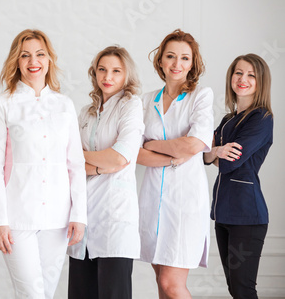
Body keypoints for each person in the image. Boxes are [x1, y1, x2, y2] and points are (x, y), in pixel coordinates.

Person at [0, 29, 87, 298]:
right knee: (31, 293)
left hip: (58, 218)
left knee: (47, 293)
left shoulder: (64, 105)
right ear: (16, 61)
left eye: (40, 54)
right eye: (25, 55)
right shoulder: (2, 105)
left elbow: (75, 164)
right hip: (17, 217)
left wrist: (79, 215)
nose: (33, 61)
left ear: (49, 59)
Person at [137, 29, 214, 298]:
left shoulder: (200, 96)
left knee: (172, 283)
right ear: (160, 61)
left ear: (192, 64)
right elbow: (134, 153)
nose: (176, 64)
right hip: (152, 201)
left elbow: (194, 144)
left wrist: (152, 145)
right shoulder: (146, 101)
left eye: (184, 58)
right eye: (170, 56)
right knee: (161, 282)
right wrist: (172, 155)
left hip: (185, 202)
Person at [67, 45, 144, 299]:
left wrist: (86, 163)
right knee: (81, 294)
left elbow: (121, 156)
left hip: (115, 218)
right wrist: (101, 165)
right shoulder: (85, 112)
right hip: (82, 217)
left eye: (115, 71)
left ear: (126, 75)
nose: (107, 77)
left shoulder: (130, 105)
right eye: (102, 70)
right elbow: (68, 161)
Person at [203, 54, 273, 299]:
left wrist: (215, 153)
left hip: (247, 215)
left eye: (251, 75)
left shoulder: (262, 118)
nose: (243, 79)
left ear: (260, 81)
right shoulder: (227, 119)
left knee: (243, 289)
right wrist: (215, 151)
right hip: (223, 213)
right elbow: (204, 154)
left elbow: (228, 162)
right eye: (238, 73)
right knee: (234, 287)